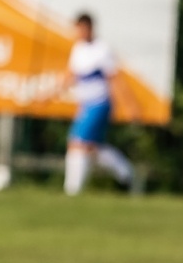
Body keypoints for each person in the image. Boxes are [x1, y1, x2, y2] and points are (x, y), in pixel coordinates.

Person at [58, 13, 139, 196]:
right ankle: (127, 173)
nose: (78, 33)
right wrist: (48, 94)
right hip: (85, 105)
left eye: (81, 29)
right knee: (92, 148)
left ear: (89, 28)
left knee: (76, 142)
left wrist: (129, 105)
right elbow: (70, 76)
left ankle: (72, 191)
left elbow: (116, 79)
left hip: (99, 103)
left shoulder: (102, 50)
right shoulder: (78, 49)